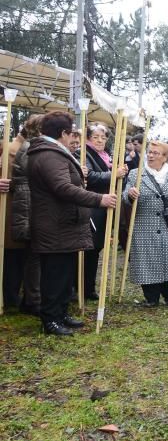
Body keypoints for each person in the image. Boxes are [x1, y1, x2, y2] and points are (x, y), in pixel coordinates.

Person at [26, 112, 117, 335]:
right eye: (71, 132)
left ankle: (61, 313)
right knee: (55, 274)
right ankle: (51, 319)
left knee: (64, 272)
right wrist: (98, 199)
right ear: (63, 133)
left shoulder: (54, 153)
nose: (73, 137)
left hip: (62, 224)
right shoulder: (49, 155)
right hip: (54, 224)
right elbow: (63, 188)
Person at [123, 141, 168, 307]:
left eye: (155, 153)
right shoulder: (136, 174)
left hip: (167, 225)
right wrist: (129, 194)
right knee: (146, 261)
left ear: (165, 157)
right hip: (144, 225)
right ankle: (151, 297)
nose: (150, 155)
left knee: (166, 259)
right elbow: (125, 197)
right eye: (149, 152)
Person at [82, 124, 129, 299]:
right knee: (90, 247)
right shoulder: (84, 153)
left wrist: (120, 173)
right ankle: (84, 288)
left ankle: (89, 287)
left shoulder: (106, 155)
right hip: (92, 205)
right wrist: (113, 174)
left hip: (104, 206)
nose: (100, 140)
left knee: (97, 246)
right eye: (96, 137)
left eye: (103, 137)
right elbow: (89, 176)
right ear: (88, 138)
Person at [8, 115, 44, 316]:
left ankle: (32, 298)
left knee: (34, 254)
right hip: (30, 205)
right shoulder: (30, 149)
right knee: (34, 255)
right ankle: (33, 300)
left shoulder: (32, 147)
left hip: (31, 203)